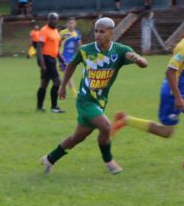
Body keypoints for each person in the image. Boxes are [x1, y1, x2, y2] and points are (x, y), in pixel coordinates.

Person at [39, 17, 148, 175]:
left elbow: (144, 64)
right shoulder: (86, 50)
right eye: (96, 31)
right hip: (85, 100)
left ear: (111, 32)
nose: (97, 35)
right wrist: (62, 87)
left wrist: (138, 60)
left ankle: (49, 159)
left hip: (100, 101)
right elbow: (71, 65)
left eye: (102, 32)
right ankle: (109, 162)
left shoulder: (120, 51)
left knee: (77, 137)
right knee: (106, 127)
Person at [112, 9, 184, 170]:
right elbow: (170, 72)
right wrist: (178, 97)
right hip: (173, 92)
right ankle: (126, 120)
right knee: (166, 132)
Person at [37, 13, 65, 113]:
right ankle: (54, 107)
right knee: (57, 81)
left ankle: (39, 107)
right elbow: (39, 48)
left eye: (55, 19)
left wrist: (62, 60)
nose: (53, 21)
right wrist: (42, 65)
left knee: (44, 84)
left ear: (57, 20)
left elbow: (56, 49)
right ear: (48, 20)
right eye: (51, 19)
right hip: (46, 59)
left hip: (52, 59)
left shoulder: (56, 31)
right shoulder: (44, 31)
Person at [58, 16, 82, 94]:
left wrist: (80, 54)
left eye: (72, 23)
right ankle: (75, 92)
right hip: (63, 56)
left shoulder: (77, 33)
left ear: (75, 24)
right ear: (67, 24)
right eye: (69, 23)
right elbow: (57, 43)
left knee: (66, 75)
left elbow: (79, 45)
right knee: (68, 74)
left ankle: (59, 87)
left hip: (72, 56)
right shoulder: (62, 33)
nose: (71, 25)